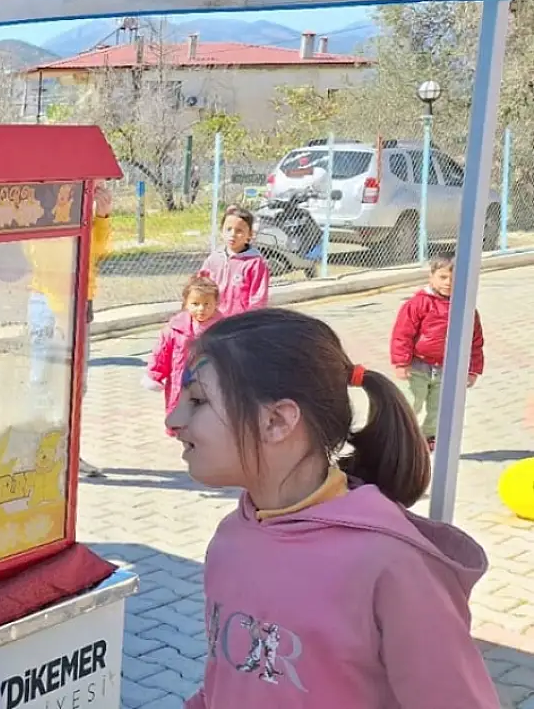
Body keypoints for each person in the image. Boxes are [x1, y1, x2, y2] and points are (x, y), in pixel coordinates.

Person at [168, 308, 495, 708]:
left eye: (197, 400)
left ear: (276, 421)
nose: (174, 419)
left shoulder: (389, 562)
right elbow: (229, 680)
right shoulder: (231, 538)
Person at [22, 181, 112, 475]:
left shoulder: (86, 212)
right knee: (43, 379)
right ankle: (39, 452)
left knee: (75, 384)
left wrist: (103, 217)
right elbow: (42, 255)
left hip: (79, 299)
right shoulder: (41, 213)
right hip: (48, 303)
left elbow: (97, 251)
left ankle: (69, 453)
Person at [391, 254, 484, 448]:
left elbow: (474, 341)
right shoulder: (418, 304)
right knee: (411, 402)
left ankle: (429, 437)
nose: (448, 283)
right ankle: (399, 437)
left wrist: (473, 369)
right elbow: (402, 334)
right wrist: (401, 362)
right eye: (442, 277)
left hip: (447, 368)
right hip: (417, 365)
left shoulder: (466, 308)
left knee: (440, 407)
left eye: (455, 278)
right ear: (431, 276)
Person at [144, 276, 222, 434]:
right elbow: (162, 354)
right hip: (182, 378)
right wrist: (154, 375)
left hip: (211, 377)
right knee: (181, 403)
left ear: (216, 303)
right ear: (186, 303)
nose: (201, 309)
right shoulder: (174, 329)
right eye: (195, 304)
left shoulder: (223, 329)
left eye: (207, 304)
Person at [196, 206, 269, 317]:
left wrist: (251, 320)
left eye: (239, 230)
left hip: (239, 322)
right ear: (221, 231)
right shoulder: (214, 259)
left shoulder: (255, 263)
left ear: (249, 234)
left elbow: (258, 297)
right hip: (213, 318)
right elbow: (200, 287)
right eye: (228, 229)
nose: (233, 234)